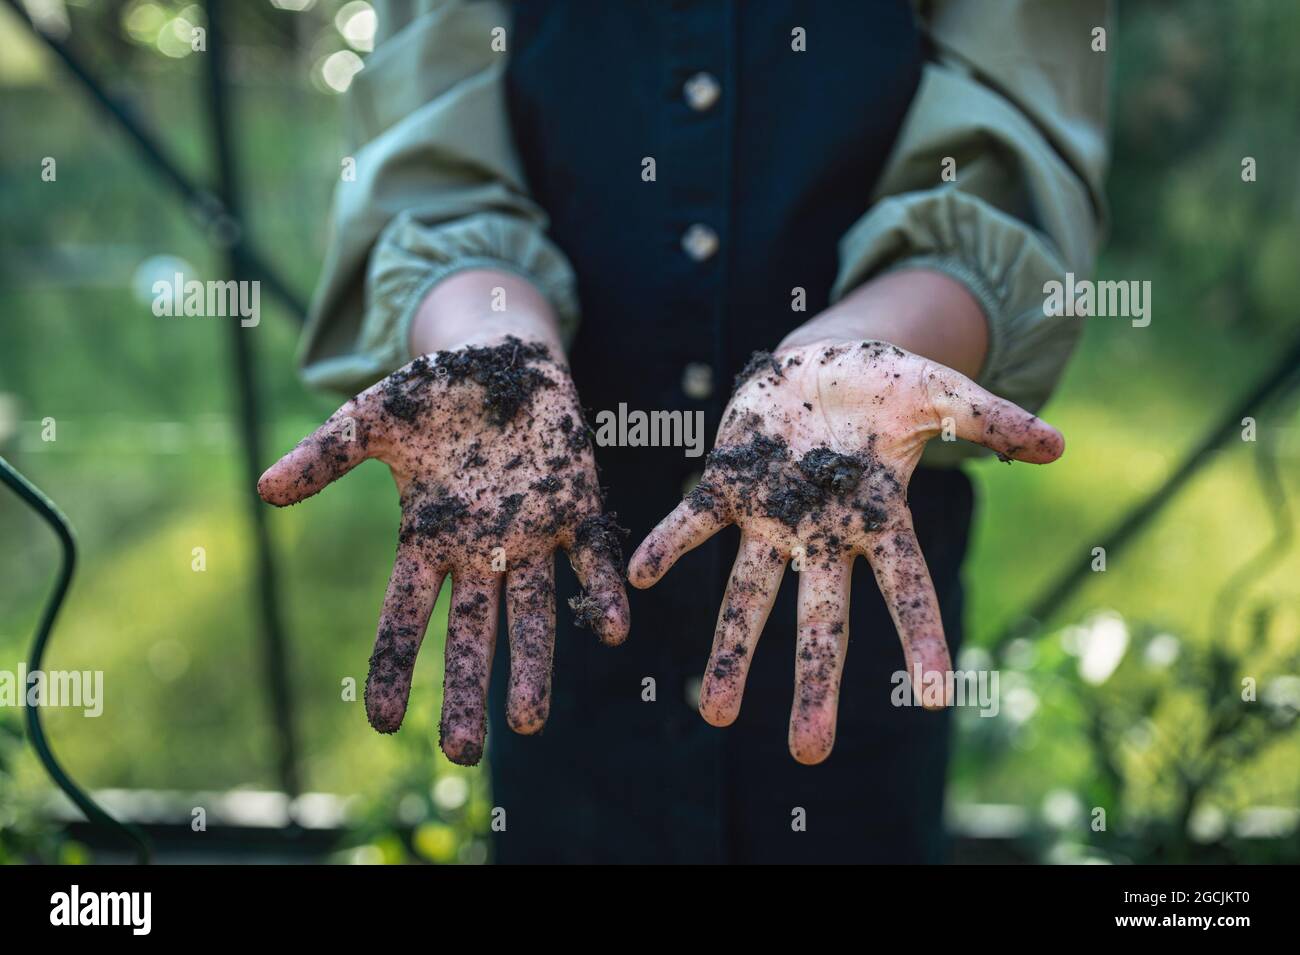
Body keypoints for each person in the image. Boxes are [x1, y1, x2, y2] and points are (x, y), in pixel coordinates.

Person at [259, 0, 1109, 863]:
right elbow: (432, 175)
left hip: (852, 552)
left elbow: (1007, 170)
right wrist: (492, 349)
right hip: (556, 561)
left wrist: (853, 357)